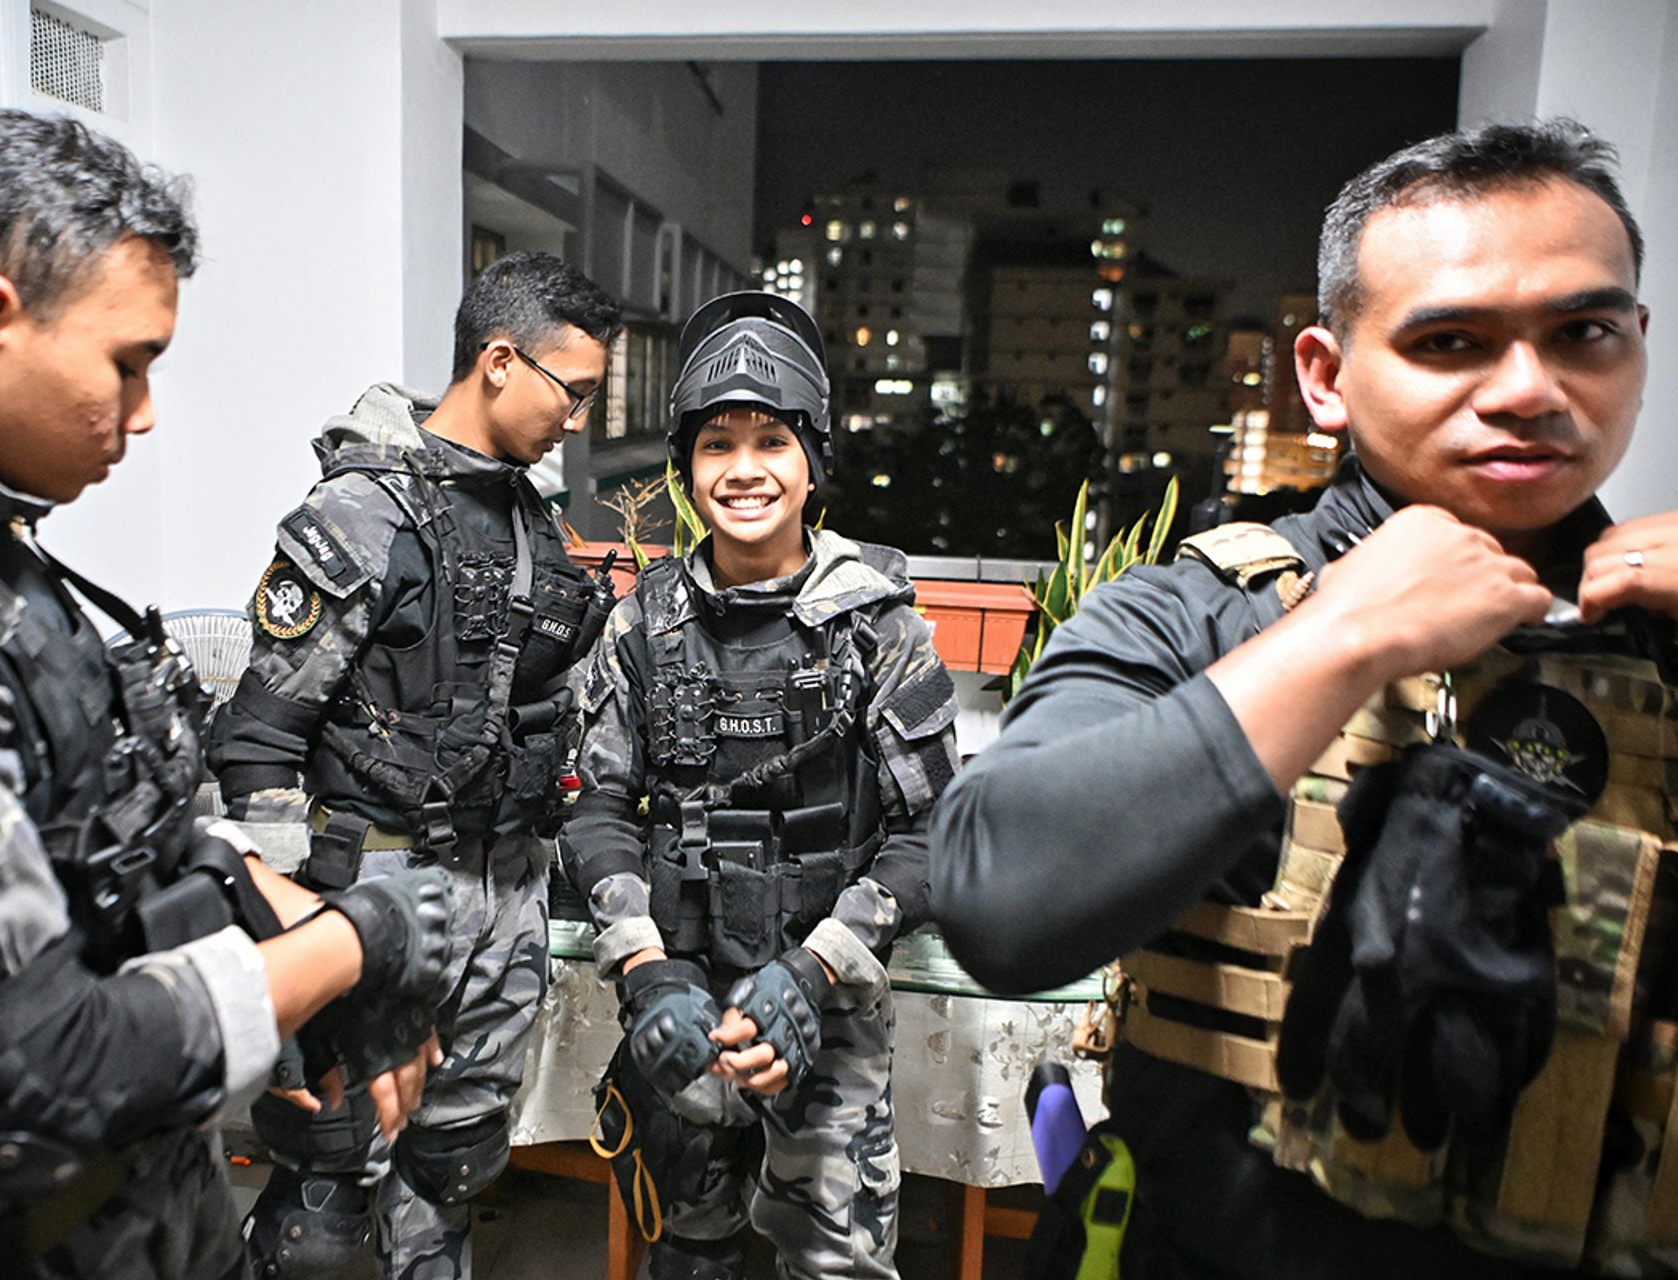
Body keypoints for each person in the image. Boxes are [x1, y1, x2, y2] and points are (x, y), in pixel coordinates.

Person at [932, 118, 1678, 1277]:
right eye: (1451, 342)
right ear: (1325, 378)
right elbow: (996, 896)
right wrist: (1342, 634)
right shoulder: (1203, 613)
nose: (1530, 390)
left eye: (1582, 332)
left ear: (1637, 343)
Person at [0, 110, 452, 1280]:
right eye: (127, 363)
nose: (144, 413)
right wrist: (354, 942)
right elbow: (27, 1072)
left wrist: (256, 906)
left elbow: (109, 834)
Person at [207, 250, 623, 1278]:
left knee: (450, 1168)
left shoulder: (529, 518)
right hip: (372, 889)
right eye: (570, 391)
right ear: (496, 360)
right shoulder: (361, 512)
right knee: (325, 1200)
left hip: (504, 890)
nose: (578, 417)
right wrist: (290, 933)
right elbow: (259, 741)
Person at [559, 292, 960, 1280]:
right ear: (687, 466)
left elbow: (936, 831)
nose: (744, 468)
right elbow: (599, 807)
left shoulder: (878, 626)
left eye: (772, 439)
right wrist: (645, 972)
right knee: (691, 1258)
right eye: (717, 443)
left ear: (813, 461)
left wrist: (815, 971)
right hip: (684, 1004)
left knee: (835, 1268)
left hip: (828, 1008)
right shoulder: (641, 625)